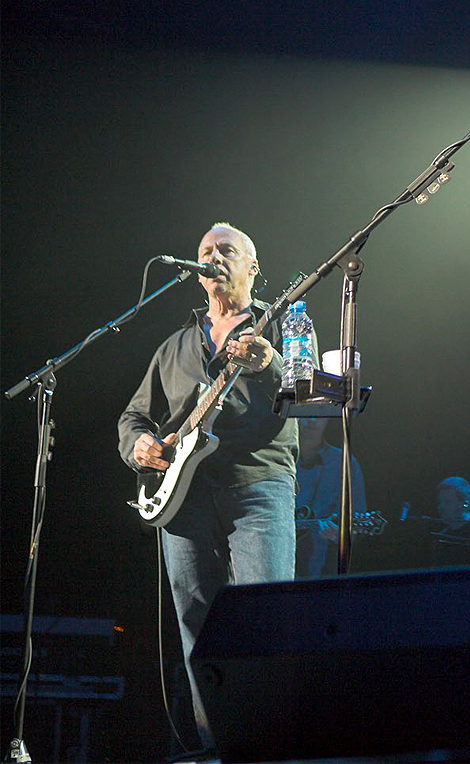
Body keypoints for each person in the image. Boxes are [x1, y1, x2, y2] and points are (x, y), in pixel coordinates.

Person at [118, 222, 298, 752]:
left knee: (266, 611)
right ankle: (215, 743)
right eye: (205, 252)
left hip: (257, 480)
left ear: (252, 267)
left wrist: (269, 363)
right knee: (196, 620)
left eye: (227, 250)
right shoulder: (175, 346)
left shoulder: (280, 322)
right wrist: (140, 447)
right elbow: (134, 416)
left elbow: (303, 387)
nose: (213, 257)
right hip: (182, 493)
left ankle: (271, 745)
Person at [294, 415, 367, 579]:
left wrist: (340, 535)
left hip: (319, 572)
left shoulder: (344, 463)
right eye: (306, 412)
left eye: (319, 413)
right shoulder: (276, 460)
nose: (312, 419)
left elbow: (356, 529)